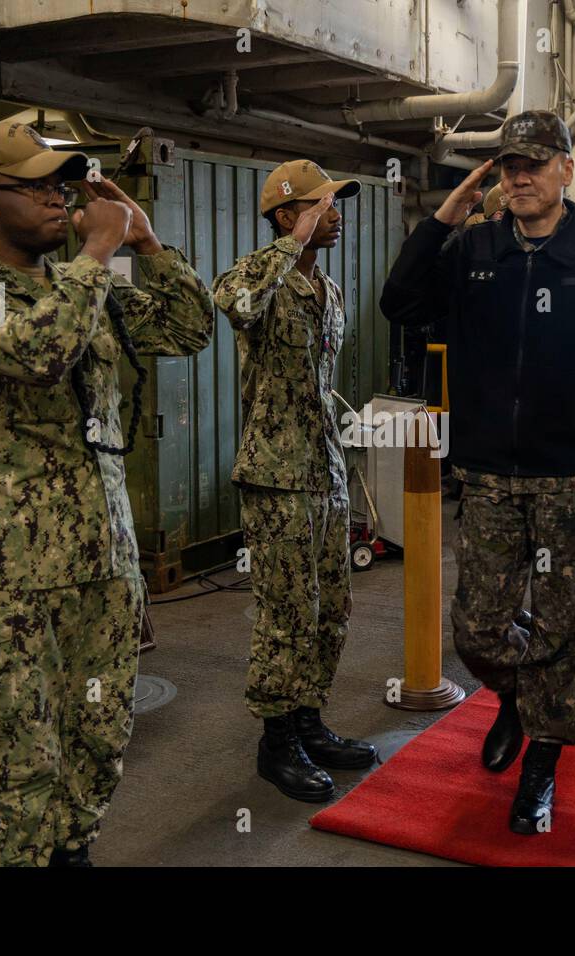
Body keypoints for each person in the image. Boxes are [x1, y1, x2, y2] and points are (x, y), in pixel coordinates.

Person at [0, 119, 214, 867]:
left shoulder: (81, 289)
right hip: (11, 581)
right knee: (25, 764)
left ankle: (73, 852)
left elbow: (190, 326)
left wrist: (145, 243)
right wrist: (97, 252)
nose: (62, 199)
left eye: (67, 186)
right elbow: (37, 355)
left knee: (100, 738)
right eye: (42, 186)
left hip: (103, 564)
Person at [381, 110, 575, 835]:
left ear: (567, 170)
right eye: (510, 165)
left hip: (574, 474)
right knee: (478, 627)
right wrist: (445, 214)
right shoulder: (475, 248)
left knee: (565, 627)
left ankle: (541, 764)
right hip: (488, 473)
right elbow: (400, 301)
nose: (521, 176)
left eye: (536, 163)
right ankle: (517, 696)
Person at [211, 159, 376, 804]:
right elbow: (232, 299)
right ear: (286, 215)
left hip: (324, 467)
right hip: (275, 474)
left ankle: (309, 719)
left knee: (332, 603)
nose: (335, 215)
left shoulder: (326, 291)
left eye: (336, 206)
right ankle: (276, 741)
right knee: (287, 610)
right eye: (322, 206)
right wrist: (291, 244)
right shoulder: (263, 279)